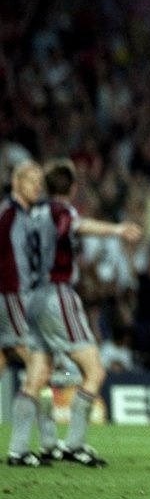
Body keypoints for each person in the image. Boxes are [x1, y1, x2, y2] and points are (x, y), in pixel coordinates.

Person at [22, 158, 143, 467]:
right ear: (73, 187)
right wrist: (116, 230)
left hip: (30, 297)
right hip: (57, 294)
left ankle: (40, 445)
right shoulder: (60, 212)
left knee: (39, 375)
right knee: (94, 372)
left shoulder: (30, 214)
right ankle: (75, 444)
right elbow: (77, 225)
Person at [2, 159, 61, 467]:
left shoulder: (26, 217)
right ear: (16, 183)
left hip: (18, 298)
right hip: (11, 297)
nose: (38, 185)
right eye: (31, 180)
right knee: (40, 365)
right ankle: (20, 449)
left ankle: (49, 441)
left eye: (40, 180)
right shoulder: (8, 214)